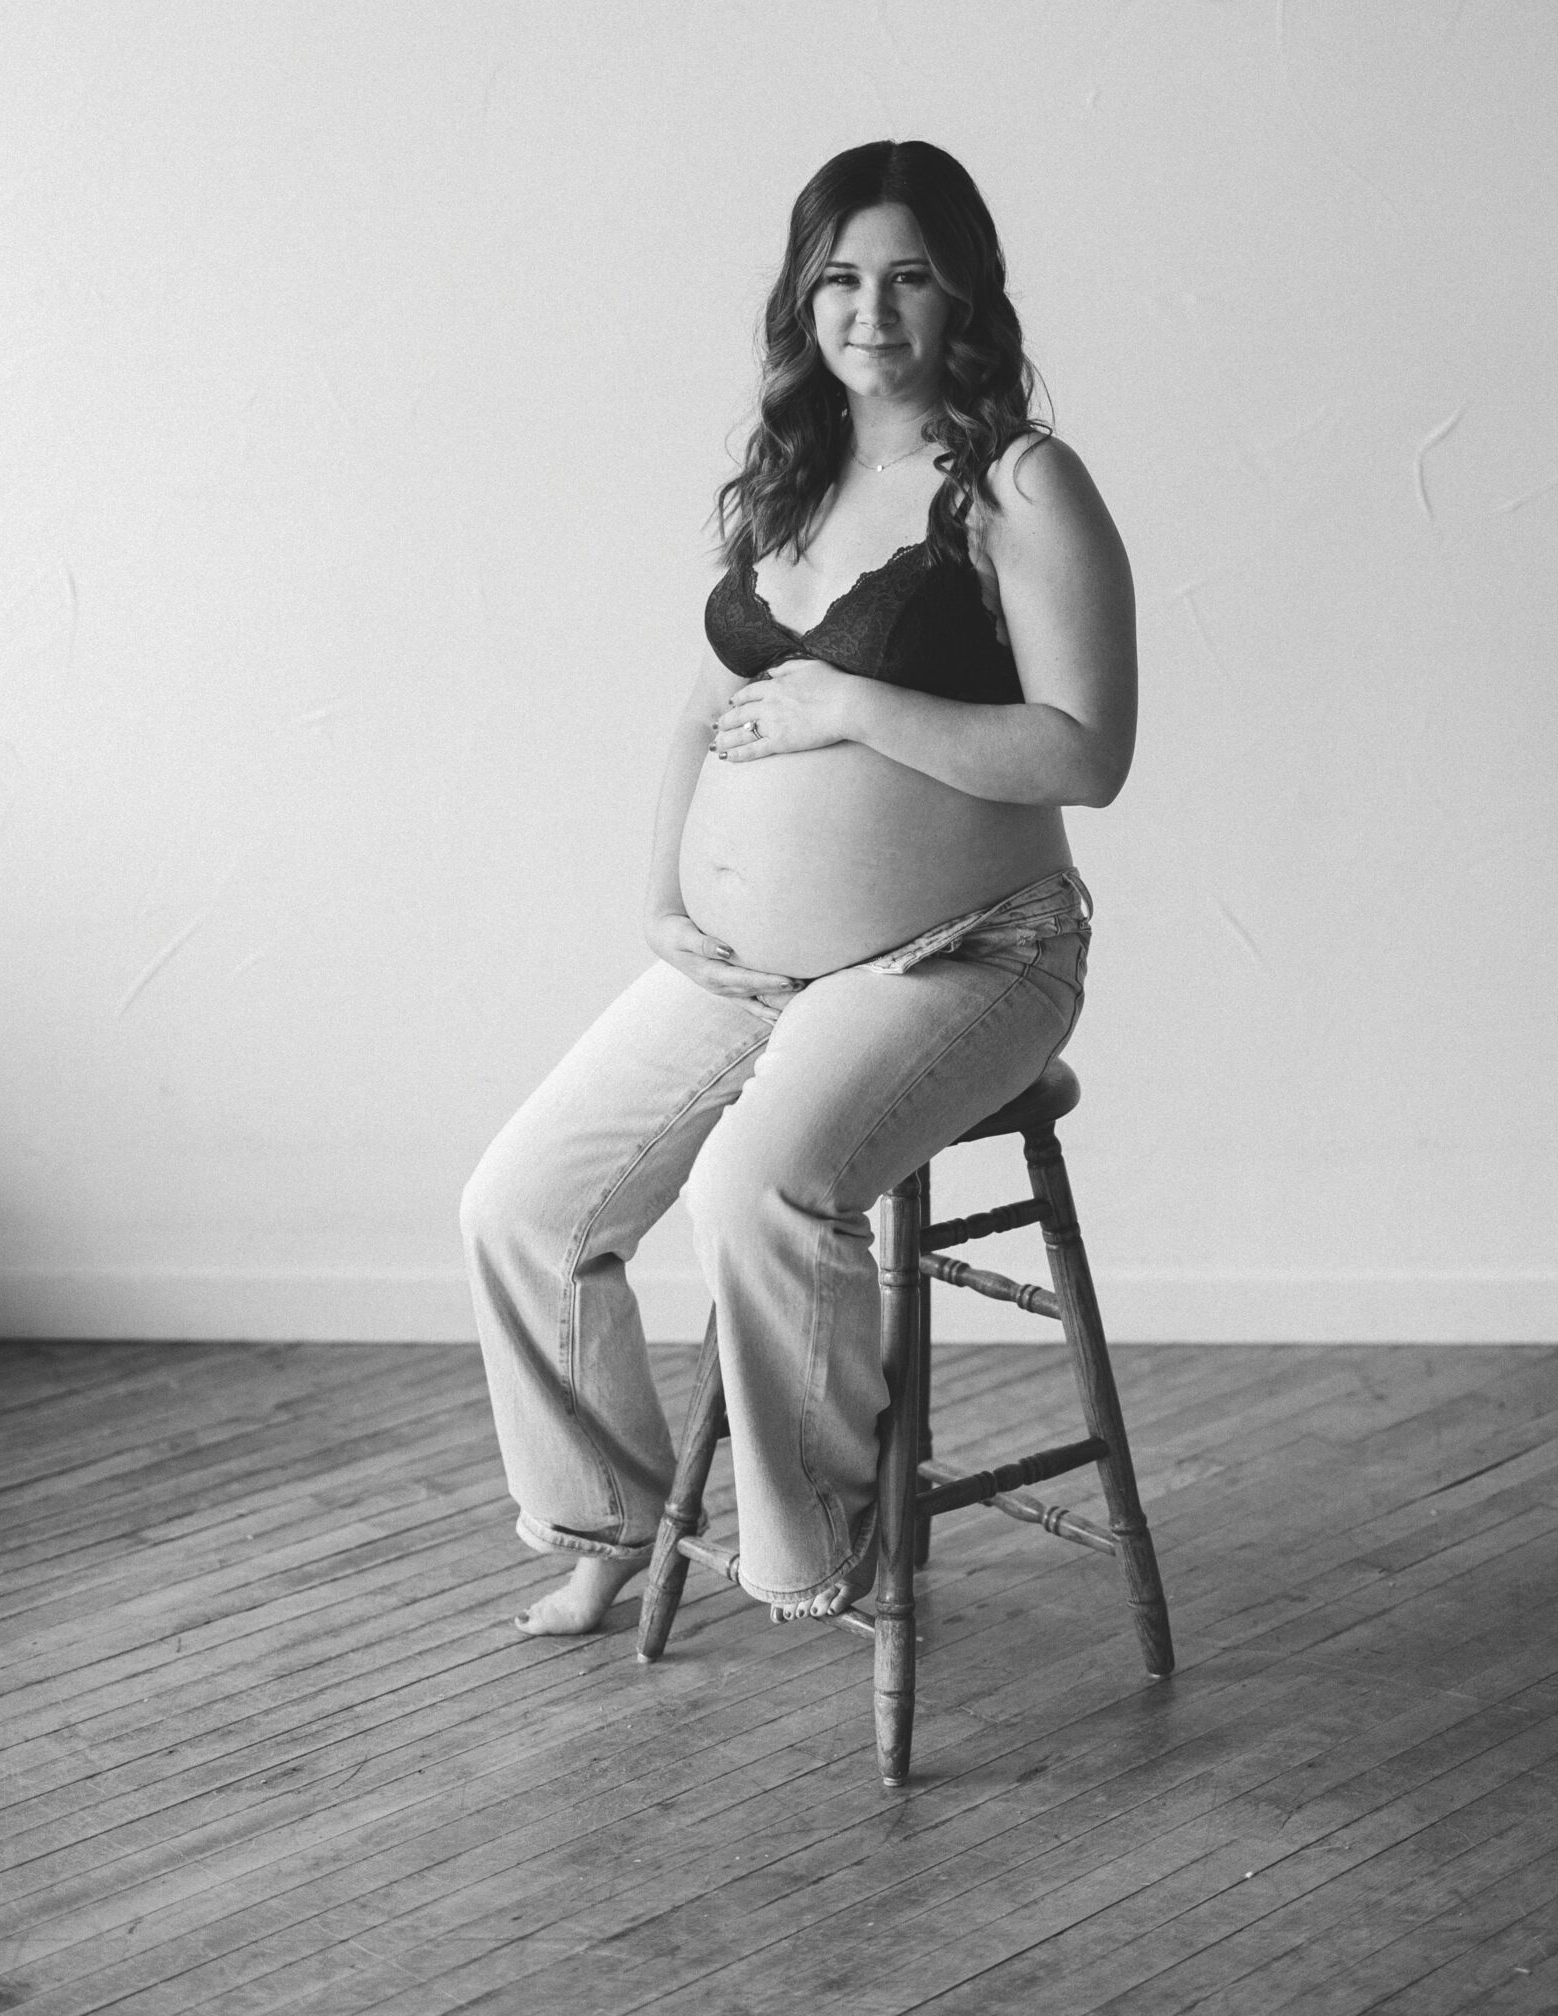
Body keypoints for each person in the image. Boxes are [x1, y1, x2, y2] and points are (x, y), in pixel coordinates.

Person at [460, 139, 1136, 1636]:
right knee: (521, 1204)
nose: (872, 311)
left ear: (966, 295)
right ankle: (605, 1516)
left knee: (753, 1188)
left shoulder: (1018, 482)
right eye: (840, 278)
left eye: (907, 277)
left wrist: (856, 710)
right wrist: (665, 905)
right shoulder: (796, 476)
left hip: (970, 957)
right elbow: (699, 717)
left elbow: (1090, 753)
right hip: (757, 965)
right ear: (801, 297)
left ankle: (827, 1547)